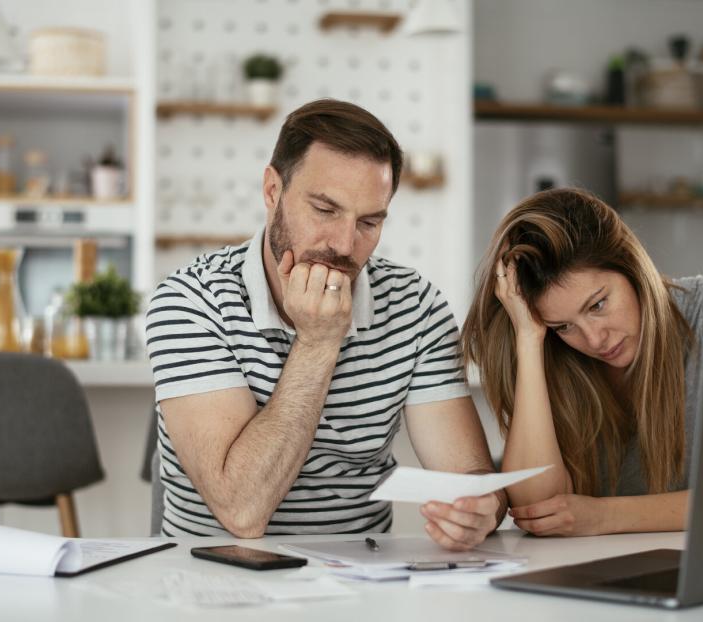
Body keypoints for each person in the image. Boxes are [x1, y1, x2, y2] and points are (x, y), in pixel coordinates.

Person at [146, 99, 506, 549]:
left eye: (369, 222)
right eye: (324, 210)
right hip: (213, 578)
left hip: (360, 579)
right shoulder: (189, 301)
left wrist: (481, 509)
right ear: (272, 191)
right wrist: (317, 343)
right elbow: (241, 510)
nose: (343, 244)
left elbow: (468, 477)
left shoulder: (416, 306)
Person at [461, 188, 703, 536]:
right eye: (564, 325)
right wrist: (529, 339)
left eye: (598, 305)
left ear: (630, 265)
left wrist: (603, 516)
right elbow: (538, 507)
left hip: (702, 568)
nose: (593, 340)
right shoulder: (548, 350)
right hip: (590, 575)